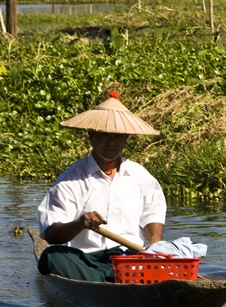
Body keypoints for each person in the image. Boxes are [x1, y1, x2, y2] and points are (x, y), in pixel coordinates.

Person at [37, 92, 166, 282]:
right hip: (87, 260)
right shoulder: (70, 180)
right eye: (105, 135)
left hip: (129, 259)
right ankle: (106, 279)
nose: (112, 142)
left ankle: (114, 278)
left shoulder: (141, 176)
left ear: (126, 138)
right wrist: (80, 224)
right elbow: (51, 234)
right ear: (91, 135)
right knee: (52, 256)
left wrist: (154, 243)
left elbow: (153, 212)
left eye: (118, 136)